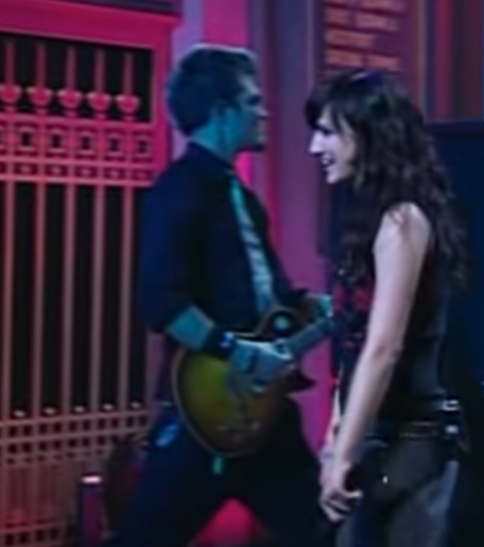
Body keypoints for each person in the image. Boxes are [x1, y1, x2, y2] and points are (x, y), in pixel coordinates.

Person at [107, 44, 332, 547]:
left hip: (265, 416)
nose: (264, 112)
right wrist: (236, 351)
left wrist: (308, 305)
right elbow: (161, 303)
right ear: (222, 111)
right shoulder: (177, 191)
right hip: (204, 414)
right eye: (253, 101)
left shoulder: (243, 199)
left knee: (324, 533)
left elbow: (265, 294)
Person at [305, 69, 471, 547]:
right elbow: (354, 344)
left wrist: (344, 452)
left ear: (367, 134)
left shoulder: (404, 220)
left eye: (328, 132)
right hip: (377, 434)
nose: (315, 148)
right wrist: (337, 437)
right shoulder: (363, 219)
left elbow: (383, 347)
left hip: (413, 437)